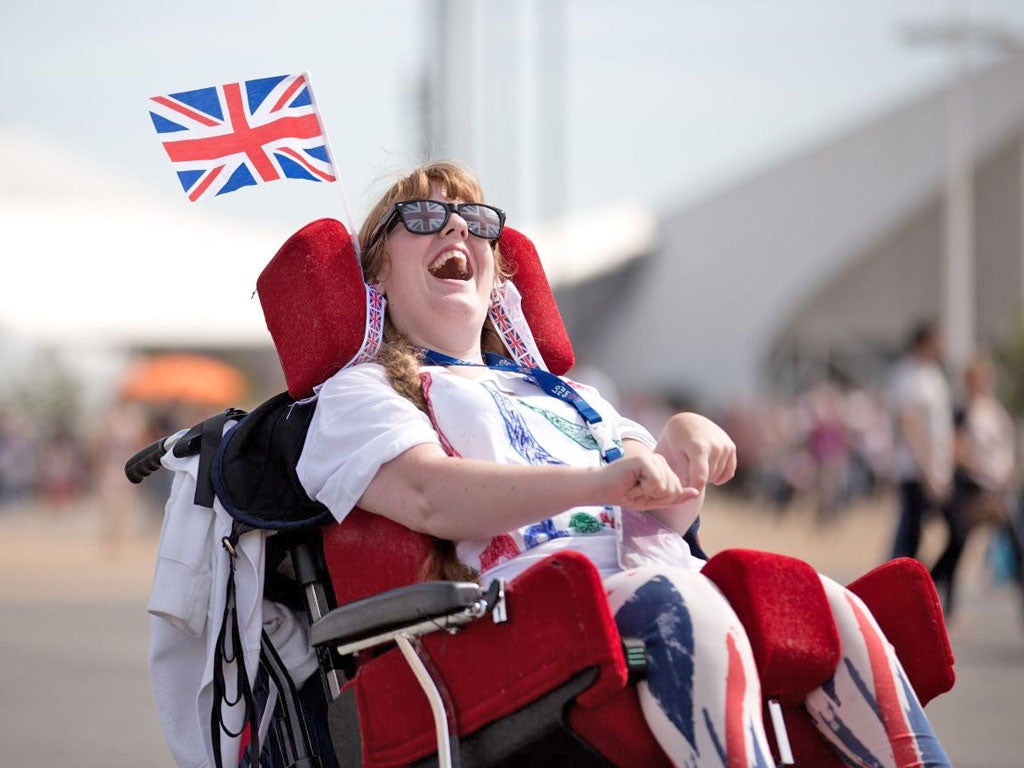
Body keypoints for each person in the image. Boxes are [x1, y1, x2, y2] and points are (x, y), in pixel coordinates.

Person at [297, 162, 950, 767]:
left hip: (654, 571)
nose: (458, 227)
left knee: (820, 602)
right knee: (684, 603)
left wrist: (682, 441)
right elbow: (424, 496)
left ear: (496, 274)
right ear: (376, 269)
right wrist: (595, 482)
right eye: (422, 217)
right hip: (522, 603)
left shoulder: (570, 394)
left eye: (478, 221)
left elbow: (660, 504)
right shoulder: (362, 391)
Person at [931, 351, 1019, 618]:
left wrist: (1007, 473)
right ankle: (937, 601)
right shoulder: (963, 410)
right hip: (970, 487)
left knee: (1016, 542)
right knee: (956, 546)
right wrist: (982, 469)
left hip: (997, 489)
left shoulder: (995, 409)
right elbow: (956, 449)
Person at [888, 322, 954, 561]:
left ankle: (926, 584)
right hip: (916, 470)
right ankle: (891, 589)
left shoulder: (934, 375)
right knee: (910, 534)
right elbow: (910, 426)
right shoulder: (908, 375)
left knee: (945, 530)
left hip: (937, 468)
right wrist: (928, 471)